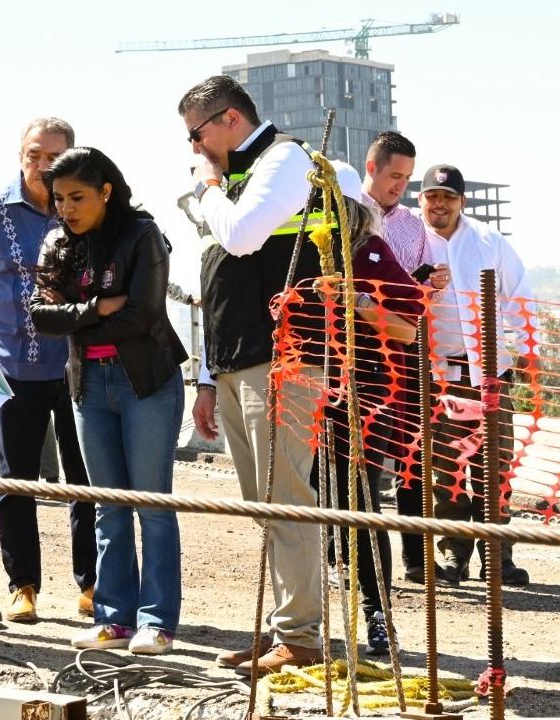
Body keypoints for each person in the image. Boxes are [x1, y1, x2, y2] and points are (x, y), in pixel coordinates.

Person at [179, 75, 328, 674]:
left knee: (286, 496)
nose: (195, 148)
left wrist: (209, 189)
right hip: (239, 360)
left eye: (198, 133)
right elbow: (218, 283)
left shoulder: (283, 159)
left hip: (285, 359)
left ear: (231, 119)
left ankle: (302, 637)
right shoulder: (236, 180)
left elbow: (242, 238)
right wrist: (209, 378)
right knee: (263, 502)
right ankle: (284, 631)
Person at [31, 147, 188, 655]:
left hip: (146, 383)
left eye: (77, 197)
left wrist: (75, 314)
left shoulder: (142, 234)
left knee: (151, 504)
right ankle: (114, 617)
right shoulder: (56, 241)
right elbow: (40, 316)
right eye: (58, 200)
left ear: (106, 191)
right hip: (88, 386)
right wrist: (97, 306)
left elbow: (142, 316)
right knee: (107, 505)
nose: (66, 209)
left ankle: (158, 622)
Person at [0, 117, 97, 623]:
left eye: (53, 157)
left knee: (86, 480)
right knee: (14, 480)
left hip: (79, 367)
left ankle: (92, 584)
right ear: (20, 155)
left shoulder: (88, 211)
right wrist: (11, 320)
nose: (42, 166)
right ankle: (23, 587)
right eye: (34, 155)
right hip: (14, 367)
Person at [313, 162, 427, 656]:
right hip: (308, 391)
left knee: (360, 504)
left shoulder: (371, 253)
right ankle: (305, 621)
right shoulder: (296, 255)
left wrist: (356, 300)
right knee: (319, 498)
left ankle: (378, 616)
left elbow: (408, 327)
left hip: (368, 394)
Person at [419, 164, 536, 587]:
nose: (440, 204)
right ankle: (453, 556)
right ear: (422, 199)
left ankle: (498, 558)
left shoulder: (489, 241)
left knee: (495, 468)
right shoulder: (413, 242)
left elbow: (519, 295)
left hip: (491, 375)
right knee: (446, 471)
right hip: (439, 376)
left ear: (461, 201)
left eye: (448, 197)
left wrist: (526, 351)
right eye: (433, 196)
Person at [359, 131, 447, 584]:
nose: (401, 186)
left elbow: (417, 288)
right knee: (358, 460)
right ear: (371, 167)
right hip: (354, 352)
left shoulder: (414, 226)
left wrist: (432, 281)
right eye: (395, 175)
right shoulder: (345, 213)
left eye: (407, 178)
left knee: (412, 452)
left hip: (406, 349)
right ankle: (351, 560)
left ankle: (417, 559)